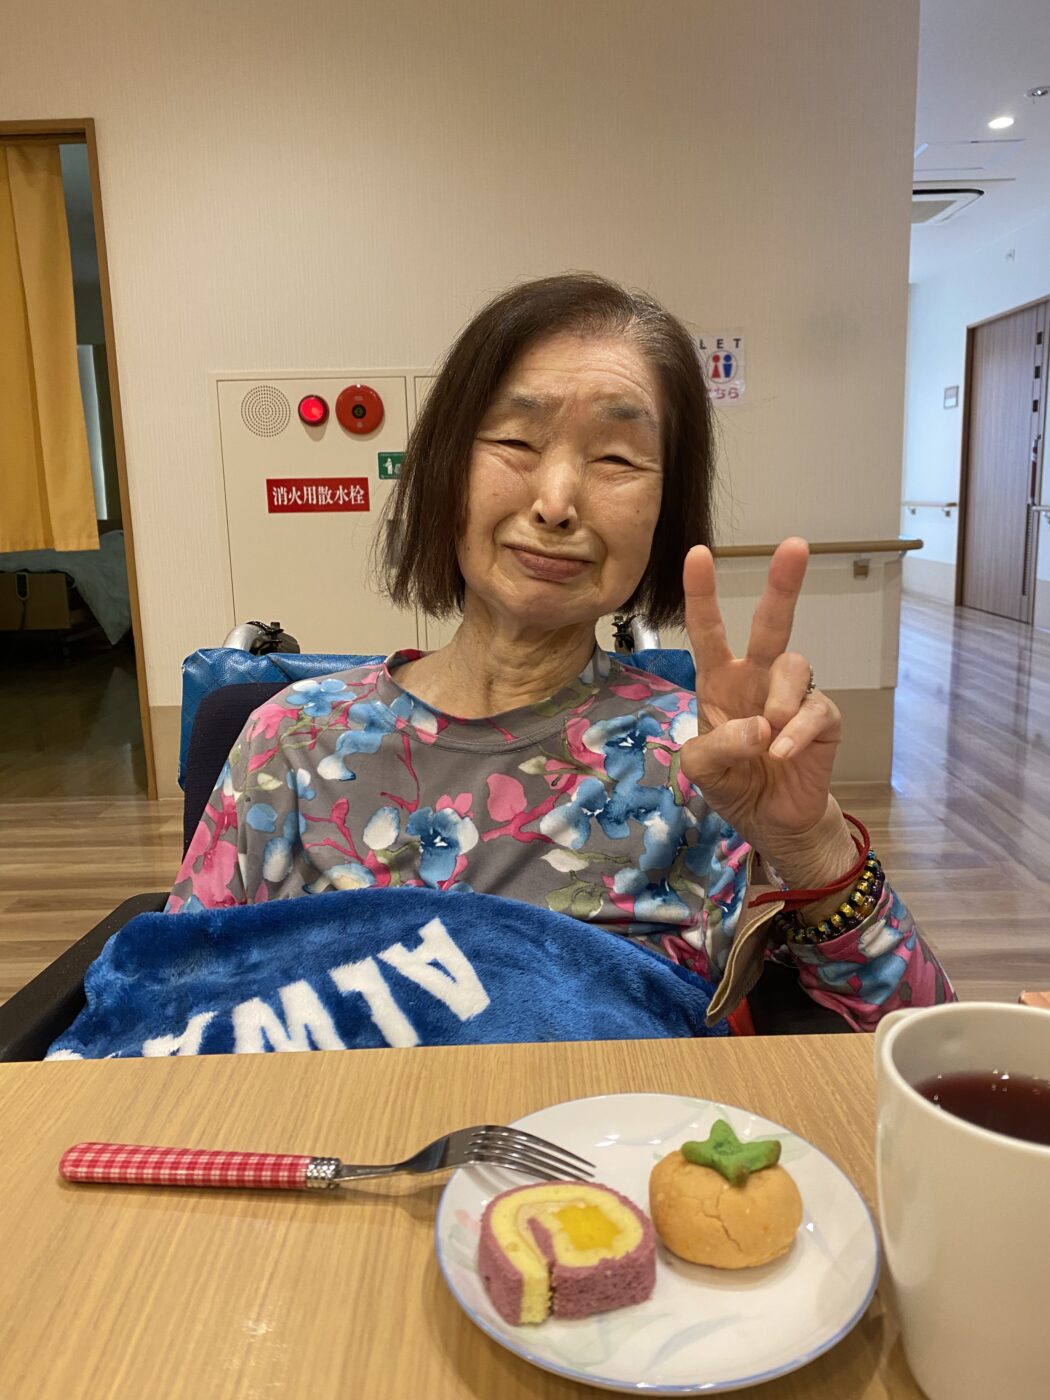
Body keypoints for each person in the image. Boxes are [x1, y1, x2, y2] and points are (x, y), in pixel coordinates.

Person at [168, 273, 953, 1031]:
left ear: (665, 507)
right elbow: (161, 1017)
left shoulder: (713, 763)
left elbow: (921, 1048)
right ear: (445, 471)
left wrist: (811, 844)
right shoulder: (292, 744)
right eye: (516, 440)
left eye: (616, 459)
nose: (555, 502)